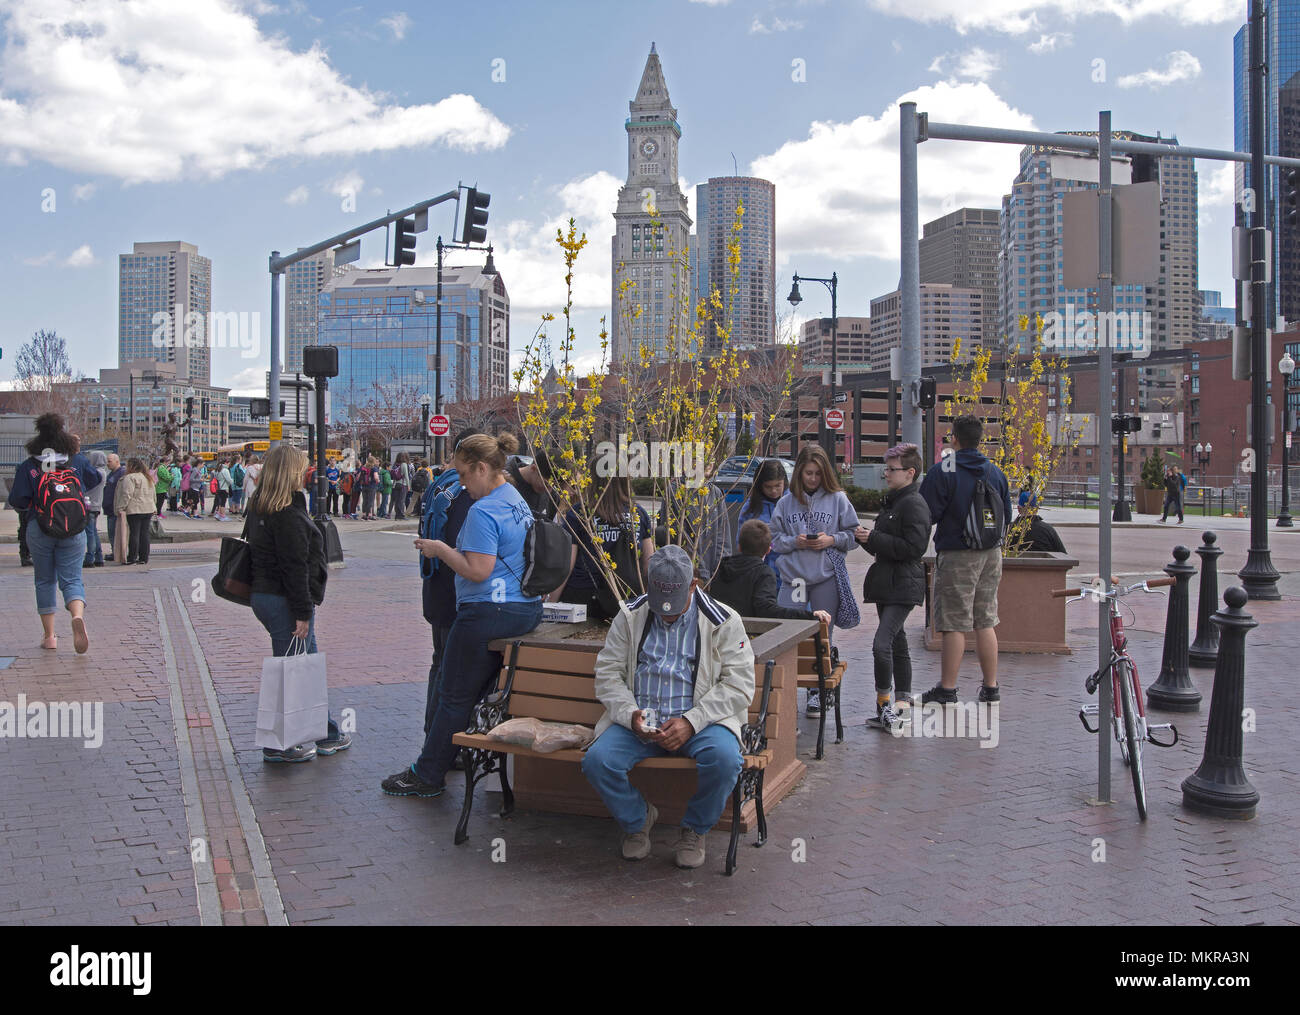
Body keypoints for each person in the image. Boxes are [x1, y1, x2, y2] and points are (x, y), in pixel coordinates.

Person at [385, 432, 543, 797]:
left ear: (482, 468)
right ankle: (453, 758)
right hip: (523, 608)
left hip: (486, 612)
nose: (461, 483)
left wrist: (439, 549)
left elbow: (477, 570)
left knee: (452, 695)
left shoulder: (483, 510)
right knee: (469, 694)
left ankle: (427, 774)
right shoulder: (514, 498)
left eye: (463, 474)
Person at [580, 545, 754, 869]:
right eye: (661, 606)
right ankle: (638, 820)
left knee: (726, 760)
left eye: (674, 606)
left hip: (701, 721)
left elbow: (739, 686)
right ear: (648, 587)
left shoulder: (725, 620)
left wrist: (692, 721)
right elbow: (608, 675)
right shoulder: (630, 615)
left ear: (694, 584)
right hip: (641, 721)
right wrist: (629, 713)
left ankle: (694, 828)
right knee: (597, 761)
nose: (668, 613)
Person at [248, 444, 350, 762]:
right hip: (284, 599)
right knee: (292, 669)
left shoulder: (261, 503)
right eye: (303, 468)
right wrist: (303, 612)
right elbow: (294, 566)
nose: (308, 474)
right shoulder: (287, 510)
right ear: (292, 472)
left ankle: (324, 731)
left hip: (266, 595)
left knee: (303, 666)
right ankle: (279, 744)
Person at [918, 415, 1012, 705]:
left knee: (954, 623)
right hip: (990, 553)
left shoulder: (944, 469)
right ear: (980, 439)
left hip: (958, 553)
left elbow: (926, 513)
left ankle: (947, 689)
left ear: (954, 439)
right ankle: (991, 687)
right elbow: (1006, 515)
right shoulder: (995, 472)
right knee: (985, 620)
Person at [769, 443, 861, 716]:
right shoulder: (785, 502)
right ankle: (784, 691)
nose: (812, 479)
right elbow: (774, 540)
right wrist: (793, 541)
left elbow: (855, 535)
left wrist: (831, 540)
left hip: (825, 576)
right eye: (808, 473)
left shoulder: (838, 499)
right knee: (788, 630)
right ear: (799, 473)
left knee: (822, 635)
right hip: (795, 577)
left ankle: (818, 692)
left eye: (818, 474)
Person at [5, 414, 102, 652]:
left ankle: (49, 637)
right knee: (72, 578)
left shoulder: (30, 465)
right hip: (74, 527)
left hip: (40, 527)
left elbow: (17, 498)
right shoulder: (75, 460)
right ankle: (77, 615)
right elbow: (96, 478)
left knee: (45, 579)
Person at [853, 443, 931, 730]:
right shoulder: (896, 502)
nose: (885, 473)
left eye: (891, 469)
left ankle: (886, 705)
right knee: (898, 645)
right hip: (889, 583)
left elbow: (914, 548)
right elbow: (885, 549)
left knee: (881, 644)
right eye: (886, 468)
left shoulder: (913, 504)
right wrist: (867, 540)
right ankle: (900, 707)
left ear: (909, 472)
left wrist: (873, 538)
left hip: (903, 585)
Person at [418, 429, 481, 733]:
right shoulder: (465, 493)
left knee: (440, 662)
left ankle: (432, 730)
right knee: (452, 668)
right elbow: (466, 551)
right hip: (456, 593)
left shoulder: (439, 485)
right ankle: (441, 738)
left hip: (435, 589)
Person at [552, 475, 654, 621]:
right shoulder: (638, 513)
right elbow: (648, 565)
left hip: (584, 599)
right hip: (627, 599)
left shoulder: (580, 512)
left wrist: (551, 602)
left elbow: (566, 565)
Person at [709, 519, 832, 626]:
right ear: (768, 550)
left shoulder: (720, 569)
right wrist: (810, 616)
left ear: (739, 546)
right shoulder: (763, 573)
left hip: (719, 633)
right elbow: (767, 610)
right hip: (749, 638)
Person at [735, 459, 788, 581]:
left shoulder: (793, 503)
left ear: (784, 482)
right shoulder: (750, 508)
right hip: (760, 573)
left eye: (778, 485)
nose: (774, 491)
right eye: (768, 487)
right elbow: (742, 542)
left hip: (789, 573)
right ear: (760, 485)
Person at [117, 458, 156, 566]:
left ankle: (132, 557)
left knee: (134, 533)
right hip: (148, 508)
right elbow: (153, 494)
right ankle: (144, 557)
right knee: (144, 533)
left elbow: (127, 494)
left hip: (135, 509)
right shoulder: (147, 477)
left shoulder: (130, 477)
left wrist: (121, 507)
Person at [506, 448, 556, 521]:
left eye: (554, 486)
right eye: (546, 484)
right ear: (533, 469)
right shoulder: (504, 482)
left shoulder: (553, 496)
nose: (549, 491)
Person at [83, 449, 109, 568]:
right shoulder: (103, 472)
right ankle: (98, 557)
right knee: (93, 532)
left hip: (90, 504)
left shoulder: (96, 473)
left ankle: (90, 557)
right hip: (96, 504)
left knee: (90, 533)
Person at [102, 453, 124, 562]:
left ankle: (117, 552)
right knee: (111, 533)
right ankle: (115, 551)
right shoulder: (111, 474)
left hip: (115, 509)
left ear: (117, 461)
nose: (107, 463)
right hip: (109, 508)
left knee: (115, 532)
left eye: (109, 461)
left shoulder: (121, 473)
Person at [391, 453, 409, 521]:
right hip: (402, 484)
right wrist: (408, 485)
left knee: (397, 500)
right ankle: (401, 515)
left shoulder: (395, 464)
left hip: (395, 484)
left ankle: (397, 515)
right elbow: (406, 476)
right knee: (402, 500)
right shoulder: (404, 464)